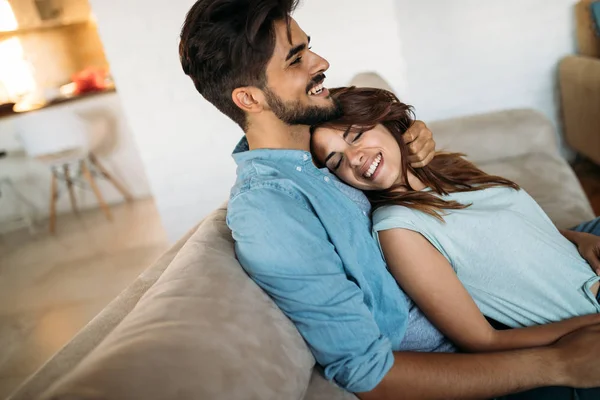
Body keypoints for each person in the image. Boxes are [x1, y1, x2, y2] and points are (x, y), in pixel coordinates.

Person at [178, 1, 600, 398]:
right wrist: (558, 365)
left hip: (533, 271)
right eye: (296, 58)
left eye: (308, 48)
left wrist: (409, 133)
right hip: (501, 353)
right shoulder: (271, 210)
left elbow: (432, 198)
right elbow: (370, 374)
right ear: (249, 98)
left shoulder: (312, 140)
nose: (320, 62)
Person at [310, 86, 600, 354]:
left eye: (356, 135)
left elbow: (511, 235)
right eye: (337, 162)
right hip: (583, 316)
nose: (354, 158)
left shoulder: (447, 167)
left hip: (584, 257)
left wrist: (577, 238)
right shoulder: (397, 228)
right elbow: (483, 340)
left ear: (384, 120)